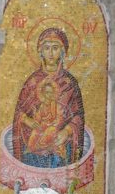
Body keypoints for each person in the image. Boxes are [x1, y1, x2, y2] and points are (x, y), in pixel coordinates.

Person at [12, 27, 84, 168]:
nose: (50, 53)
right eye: (46, 48)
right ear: (41, 52)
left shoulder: (69, 83)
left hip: (59, 143)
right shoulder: (32, 82)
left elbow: (78, 117)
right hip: (34, 145)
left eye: (55, 48)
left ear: (62, 52)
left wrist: (66, 131)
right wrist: (27, 120)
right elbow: (19, 112)